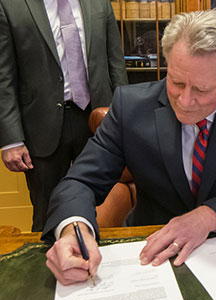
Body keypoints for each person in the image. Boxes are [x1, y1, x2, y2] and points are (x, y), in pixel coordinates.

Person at [43, 9, 216, 286]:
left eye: (200, 89)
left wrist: (210, 216)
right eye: (176, 82)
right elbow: (80, 182)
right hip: (151, 255)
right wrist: (71, 229)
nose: (185, 101)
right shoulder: (131, 107)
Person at [0, 0, 128, 232]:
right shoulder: (10, 6)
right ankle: (44, 265)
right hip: (40, 127)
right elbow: (4, 77)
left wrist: (123, 117)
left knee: (105, 207)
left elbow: (116, 64)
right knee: (46, 212)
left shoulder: (99, 4)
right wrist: (11, 140)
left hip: (97, 122)